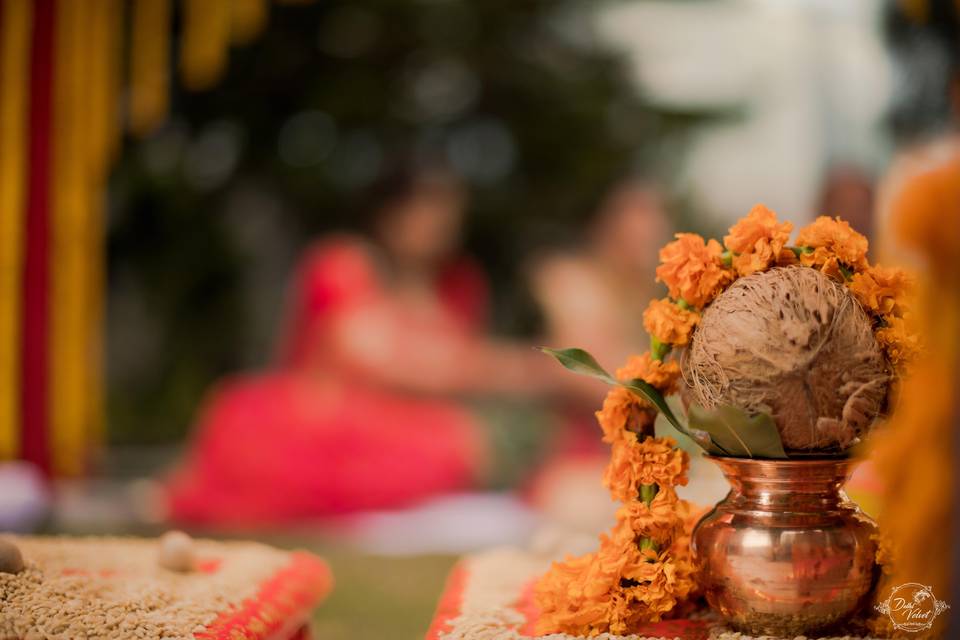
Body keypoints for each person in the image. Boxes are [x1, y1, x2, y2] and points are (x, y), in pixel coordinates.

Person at [165, 161, 568, 525]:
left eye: (447, 209)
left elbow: (457, 366)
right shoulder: (344, 262)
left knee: (470, 441)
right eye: (424, 206)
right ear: (388, 211)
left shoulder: (458, 282)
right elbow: (375, 359)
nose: (438, 221)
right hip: (328, 421)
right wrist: (522, 369)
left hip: (414, 429)